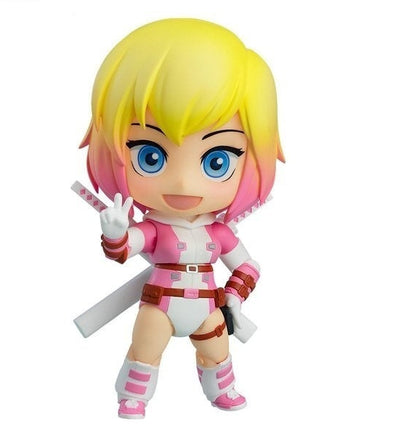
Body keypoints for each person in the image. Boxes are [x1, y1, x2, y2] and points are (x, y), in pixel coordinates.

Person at [80, 18, 284, 419]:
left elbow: (248, 266)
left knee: (217, 352)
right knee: (146, 350)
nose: (184, 181)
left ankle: (222, 389)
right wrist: (116, 234)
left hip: (208, 307)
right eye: (150, 156)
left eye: (216, 160)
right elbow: (125, 249)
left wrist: (234, 298)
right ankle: (133, 396)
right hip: (160, 305)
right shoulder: (154, 229)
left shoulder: (219, 233)